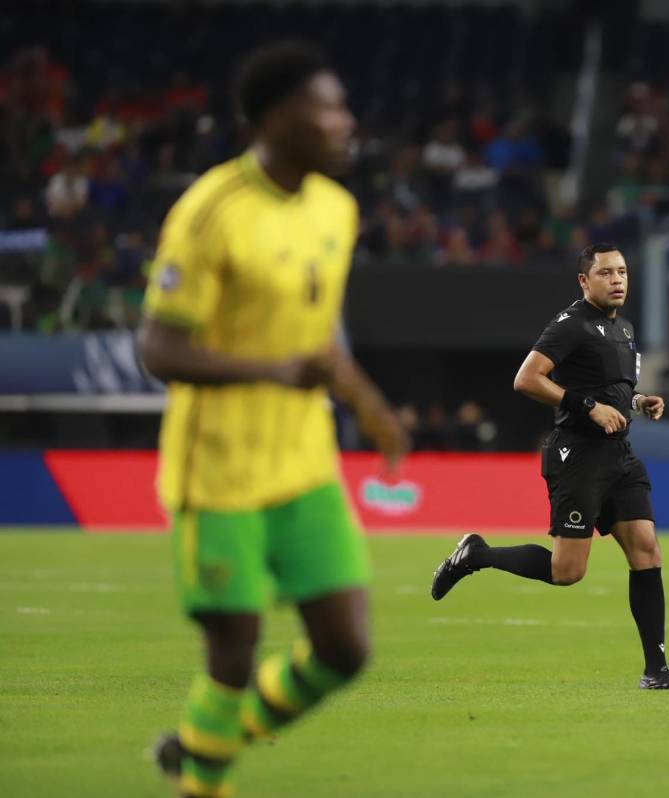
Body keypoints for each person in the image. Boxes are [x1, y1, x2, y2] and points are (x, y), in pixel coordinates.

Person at [137, 42, 407, 798]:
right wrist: (272, 372)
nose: (346, 122)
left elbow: (317, 343)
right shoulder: (210, 211)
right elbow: (158, 348)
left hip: (303, 464)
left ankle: (199, 743)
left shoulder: (337, 208)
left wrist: (371, 406)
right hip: (218, 469)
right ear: (281, 119)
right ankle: (202, 782)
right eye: (330, 107)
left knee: (346, 648)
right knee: (234, 644)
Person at [429, 243, 669, 691]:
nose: (617, 280)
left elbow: (608, 388)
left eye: (622, 272)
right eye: (606, 273)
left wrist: (637, 401)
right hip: (577, 456)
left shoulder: (625, 329)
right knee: (567, 572)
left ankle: (656, 670)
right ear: (584, 281)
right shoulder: (570, 325)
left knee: (647, 551)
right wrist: (589, 406)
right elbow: (527, 379)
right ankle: (476, 554)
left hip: (620, 454)